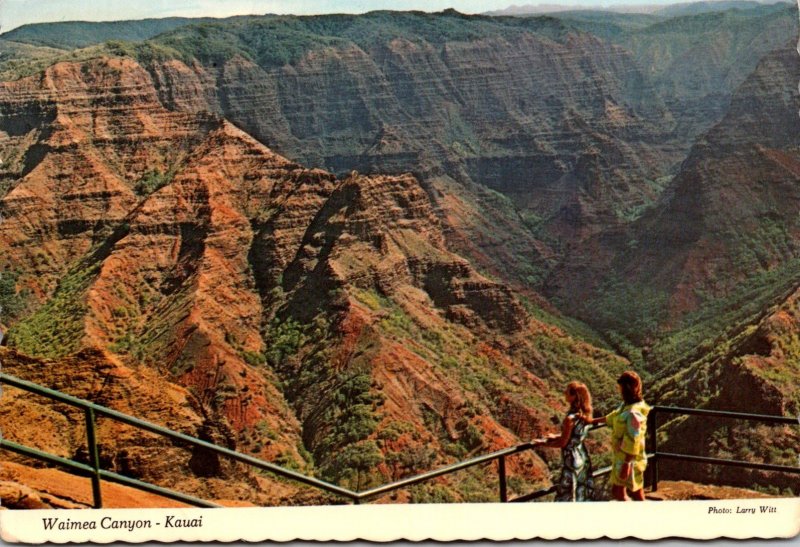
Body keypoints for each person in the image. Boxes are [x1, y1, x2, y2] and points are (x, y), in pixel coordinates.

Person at [591, 370, 651, 501]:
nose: (619, 390)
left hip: (629, 459)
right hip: (624, 458)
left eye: (621, 387)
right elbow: (614, 416)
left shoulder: (633, 412)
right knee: (633, 491)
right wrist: (593, 421)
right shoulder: (627, 405)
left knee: (623, 492)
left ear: (626, 388)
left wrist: (626, 464)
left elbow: (633, 439)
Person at [544, 381, 595, 501]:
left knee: (568, 494)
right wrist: (557, 436)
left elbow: (563, 443)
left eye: (567, 391)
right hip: (582, 456)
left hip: (571, 459)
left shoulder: (570, 418)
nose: (564, 393)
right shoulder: (585, 415)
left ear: (574, 396)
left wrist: (544, 443)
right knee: (581, 492)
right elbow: (573, 436)